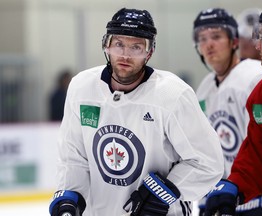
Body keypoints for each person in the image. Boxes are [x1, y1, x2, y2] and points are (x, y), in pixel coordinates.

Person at [48, 8, 224, 216]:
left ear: (149, 52)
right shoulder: (82, 87)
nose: (125, 54)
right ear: (107, 45)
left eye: (136, 47)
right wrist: (70, 197)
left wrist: (163, 193)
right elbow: (73, 156)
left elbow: (208, 162)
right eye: (119, 44)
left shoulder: (173, 94)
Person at [192, 7, 262, 216]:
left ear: (234, 41)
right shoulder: (206, 87)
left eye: (216, 36)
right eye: (202, 38)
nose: (208, 44)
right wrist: (228, 187)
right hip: (240, 194)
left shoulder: (252, 77)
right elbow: (258, 148)